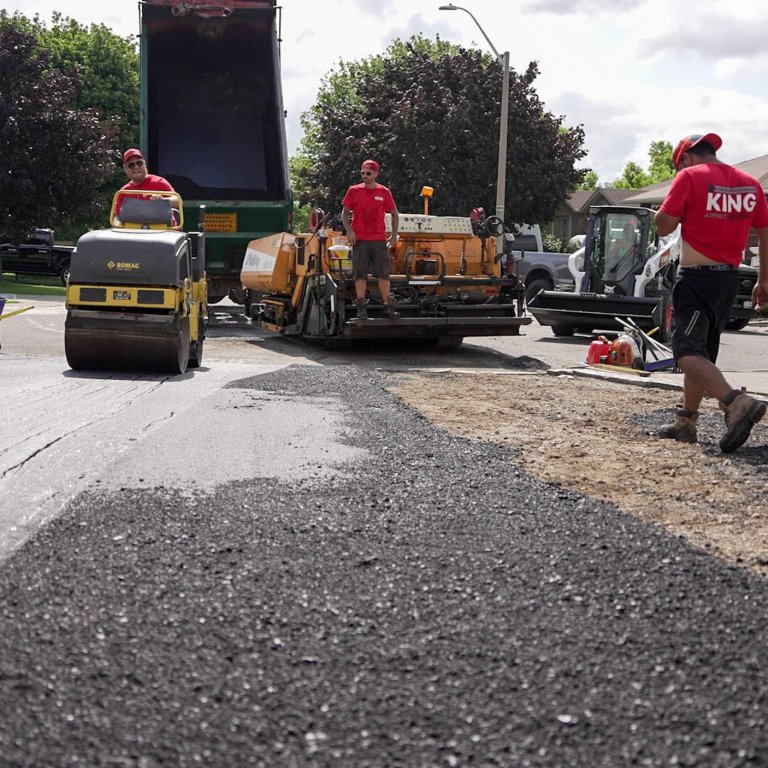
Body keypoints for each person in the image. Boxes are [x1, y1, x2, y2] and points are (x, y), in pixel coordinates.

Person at [655, 132, 768, 452]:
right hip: (728, 281)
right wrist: (764, 280)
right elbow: (764, 232)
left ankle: (736, 402)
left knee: (686, 353)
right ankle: (686, 421)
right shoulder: (750, 184)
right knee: (701, 353)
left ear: (687, 159)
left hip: (695, 280)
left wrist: (664, 211)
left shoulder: (689, 177)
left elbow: (664, 226)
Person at [341, 159, 400, 320]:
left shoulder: (384, 192)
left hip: (379, 239)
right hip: (360, 240)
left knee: (383, 274)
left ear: (375, 174)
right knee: (360, 274)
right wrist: (349, 231)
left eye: (368, 173)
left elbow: (395, 215)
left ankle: (388, 306)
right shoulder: (353, 191)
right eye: (362, 173)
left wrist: (394, 235)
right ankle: (361, 307)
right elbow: (344, 214)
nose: (364, 176)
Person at [116, 148, 177, 221]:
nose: (136, 167)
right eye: (131, 165)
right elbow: (117, 218)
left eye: (139, 163)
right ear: (125, 168)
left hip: (163, 231)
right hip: (134, 231)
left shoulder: (159, 182)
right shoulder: (123, 192)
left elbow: (177, 202)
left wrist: (162, 200)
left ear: (144, 163)